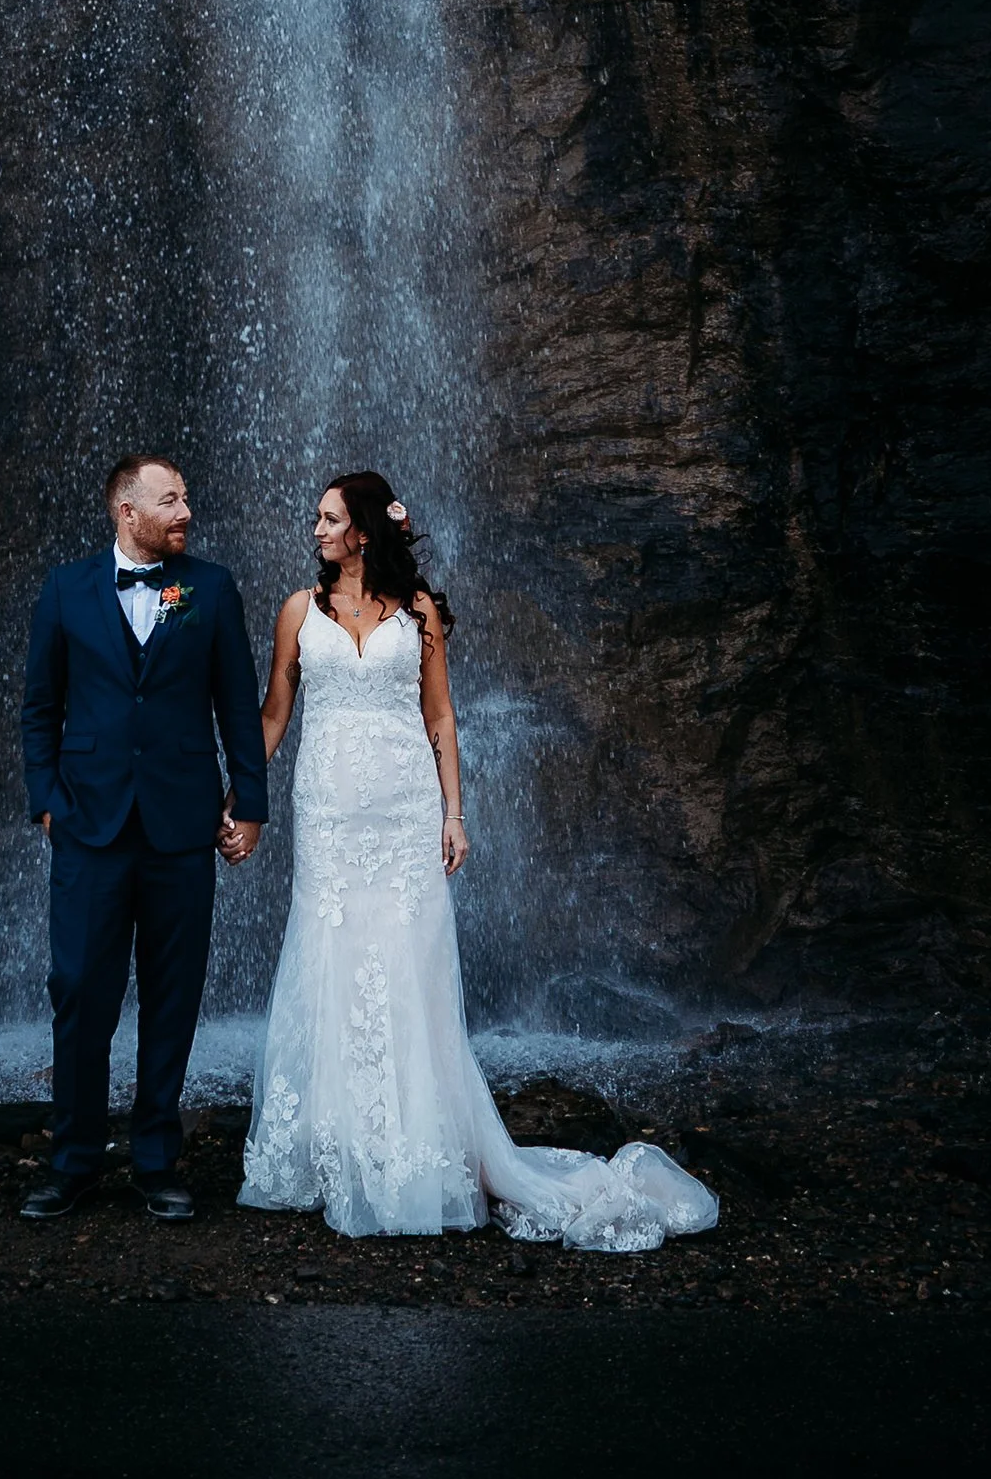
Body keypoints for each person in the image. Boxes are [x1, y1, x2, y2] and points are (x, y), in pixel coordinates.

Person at [237, 469, 720, 1250]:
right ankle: (340, 1149)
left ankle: (417, 1150)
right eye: (318, 518)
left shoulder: (420, 610)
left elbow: (440, 715)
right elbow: (274, 713)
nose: (316, 529)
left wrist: (454, 812)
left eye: (328, 518)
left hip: (403, 816)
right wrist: (239, 794)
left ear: (363, 528)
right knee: (329, 959)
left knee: (408, 969)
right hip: (328, 816)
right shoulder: (299, 609)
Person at [18, 453, 269, 1219]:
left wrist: (250, 803)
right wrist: (47, 801)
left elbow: (237, 703)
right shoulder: (64, 589)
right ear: (126, 511)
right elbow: (38, 708)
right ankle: (74, 1161)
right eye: (170, 500)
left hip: (181, 826)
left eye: (186, 497)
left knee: (173, 997)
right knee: (80, 995)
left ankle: (157, 1159)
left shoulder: (212, 588)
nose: (185, 510)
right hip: (89, 826)